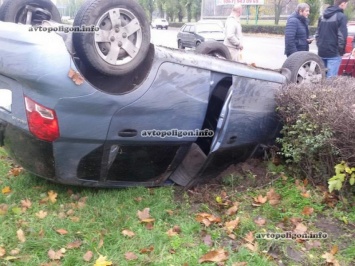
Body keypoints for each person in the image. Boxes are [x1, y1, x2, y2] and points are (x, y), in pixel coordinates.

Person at [315, 0, 349, 78]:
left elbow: (317, 34)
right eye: (346, 4)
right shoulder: (341, 16)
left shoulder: (322, 16)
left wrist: (320, 46)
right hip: (334, 54)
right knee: (331, 81)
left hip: (321, 52)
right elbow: (342, 37)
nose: (346, 6)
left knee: (321, 78)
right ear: (343, 4)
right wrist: (341, 52)